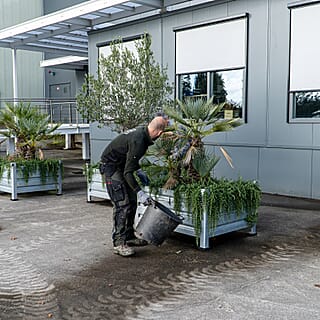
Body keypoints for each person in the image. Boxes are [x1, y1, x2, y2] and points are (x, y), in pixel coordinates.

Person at [100, 116, 168, 257]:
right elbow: (127, 172)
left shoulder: (142, 134)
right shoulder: (139, 140)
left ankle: (129, 236)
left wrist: (138, 170)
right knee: (122, 204)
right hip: (111, 167)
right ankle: (119, 242)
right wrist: (140, 192)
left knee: (131, 201)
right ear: (160, 133)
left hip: (120, 166)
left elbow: (130, 159)